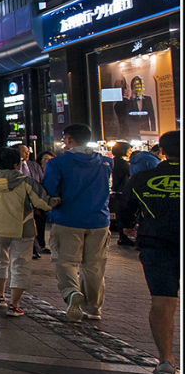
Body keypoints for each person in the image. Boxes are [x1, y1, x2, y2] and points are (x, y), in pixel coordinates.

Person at [117, 130, 179, 374]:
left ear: (161, 151)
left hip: (157, 243)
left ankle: (166, 358)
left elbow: (126, 209)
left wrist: (129, 225)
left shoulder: (143, 178)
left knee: (162, 301)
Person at [0, 147, 57, 317]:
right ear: (17, 164)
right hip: (23, 229)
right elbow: (43, 203)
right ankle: (14, 304)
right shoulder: (26, 182)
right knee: (20, 264)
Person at [42, 123, 113, 322]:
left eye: (64, 139)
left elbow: (50, 190)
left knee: (65, 261)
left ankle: (72, 293)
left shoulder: (58, 164)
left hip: (67, 218)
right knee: (94, 265)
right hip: (99, 220)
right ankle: (94, 308)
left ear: (69, 139)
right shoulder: (105, 163)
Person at [109, 141, 134, 246]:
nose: (130, 152)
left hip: (117, 191)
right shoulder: (123, 163)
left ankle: (122, 237)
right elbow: (130, 176)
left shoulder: (113, 162)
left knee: (120, 216)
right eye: (129, 149)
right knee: (124, 216)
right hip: (122, 192)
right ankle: (124, 238)